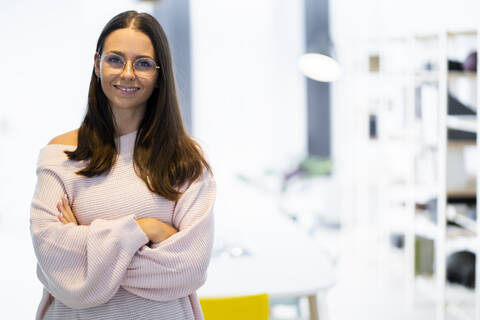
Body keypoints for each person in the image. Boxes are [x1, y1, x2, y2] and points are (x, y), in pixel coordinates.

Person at [29, 10, 216, 320]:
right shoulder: (60, 154)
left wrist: (87, 255)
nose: (127, 73)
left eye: (142, 63)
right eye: (115, 59)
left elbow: (189, 267)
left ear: (159, 74)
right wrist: (146, 229)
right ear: (97, 64)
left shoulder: (187, 159)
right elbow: (55, 262)